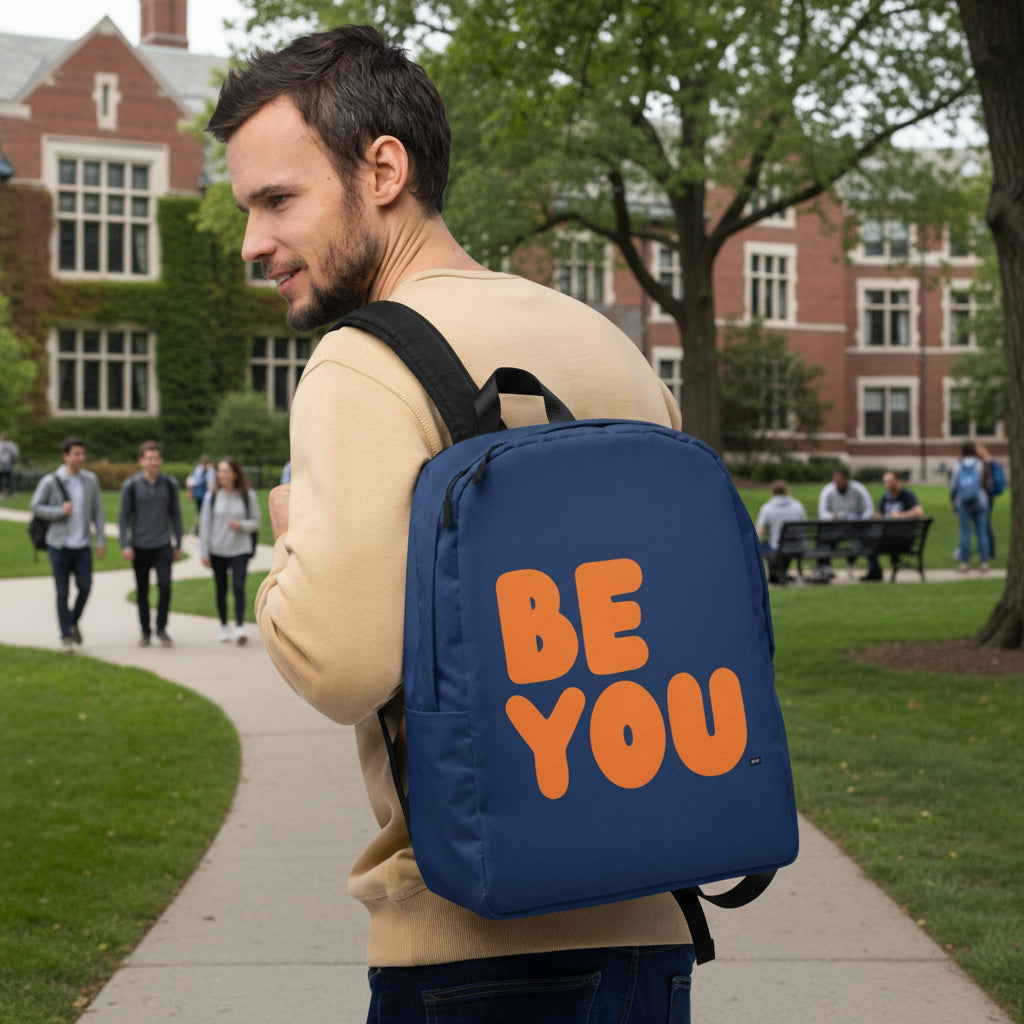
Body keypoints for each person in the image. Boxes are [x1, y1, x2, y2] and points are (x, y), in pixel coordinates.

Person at [209, 26, 694, 1020]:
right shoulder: (604, 344)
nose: (253, 242)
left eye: (276, 199)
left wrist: (290, 536)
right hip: (651, 927)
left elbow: (338, 666)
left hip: (472, 939)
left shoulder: (362, 363)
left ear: (382, 168)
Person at [29, 436, 106, 651]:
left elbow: (98, 512)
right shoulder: (51, 481)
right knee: (62, 592)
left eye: (83, 453)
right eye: (77, 454)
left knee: (85, 586)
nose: (81, 458)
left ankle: (72, 621)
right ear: (65, 456)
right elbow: (35, 506)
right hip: (59, 544)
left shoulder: (90, 480)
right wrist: (58, 512)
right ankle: (65, 636)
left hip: (82, 545)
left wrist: (100, 539)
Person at [118, 441, 183, 646]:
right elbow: (123, 517)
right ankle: (146, 631)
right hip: (139, 545)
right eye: (148, 458)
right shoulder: (132, 485)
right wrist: (125, 544)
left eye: (156, 458)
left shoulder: (170, 485)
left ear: (160, 461)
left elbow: (176, 516)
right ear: (141, 461)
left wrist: (178, 543)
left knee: (165, 586)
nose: (152, 462)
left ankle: (162, 628)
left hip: (163, 544)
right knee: (143, 590)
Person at [199, 457, 261, 645]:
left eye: (226, 471)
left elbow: (257, 523)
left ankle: (240, 626)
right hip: (217, 549)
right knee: (221, 589)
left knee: (239, 587)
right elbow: (204, 526)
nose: (222, 475)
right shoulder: (212, 497)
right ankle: (224, 626)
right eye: (219, 471)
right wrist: (204, 552)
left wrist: (241, 525)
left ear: (235, 474)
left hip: (239, 549)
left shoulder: (247, 495)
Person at [861, 471, 924, 581]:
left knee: (868, 539)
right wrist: (877, 516)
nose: (888, 485)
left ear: (898, 481)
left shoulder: (907, 495)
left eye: (891, 482)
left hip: (903, 538)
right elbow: (879, 514)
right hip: (886, 536)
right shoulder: (886, 497)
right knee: (865, 537)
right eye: (886, 482)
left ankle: (876, 570)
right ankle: (875, 570)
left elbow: (919, 511)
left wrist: (899, 515)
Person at [816, 466, 874, 579]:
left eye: (840, 480)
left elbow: (869, 508)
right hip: (835, 527)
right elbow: (822, 513)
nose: (837, 483)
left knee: (867, 537)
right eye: (835, 480)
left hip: (855, 526)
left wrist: (862, 520)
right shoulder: (828, 490)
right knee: (824, 538)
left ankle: (866, 567)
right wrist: (831, 516)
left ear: (846, 479)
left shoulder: (858, 489)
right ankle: (825, 567)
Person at [949, 440, 991, 573]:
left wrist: (953, 499)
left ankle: (964, 563)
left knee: (965, 532)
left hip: (963, 501)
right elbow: (986, 482)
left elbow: (953, 485)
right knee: (982, 531)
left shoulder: (958, 465)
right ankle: (984, 563)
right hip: (980, 500)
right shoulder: (980, 463)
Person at [755, 479, 807, 583]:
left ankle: (776, 572)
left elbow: (759, 531)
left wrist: (768, 531)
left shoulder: (767, 508)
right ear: (787, 491)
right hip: (797, 545)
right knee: (778, 545)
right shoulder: (798, 506)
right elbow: (804, 523)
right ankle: (780, 572)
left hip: (778, 547)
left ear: (772, 492)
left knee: (765, 545)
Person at [186, 454, 215, 531]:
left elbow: (211, 483)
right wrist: (190, 491)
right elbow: (192, 481)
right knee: (200, 511)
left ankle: (205, 527)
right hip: (199, 494)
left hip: (208, 494)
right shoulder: (197, 470)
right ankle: (199, 527)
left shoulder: (211, 471)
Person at [0, 432, 19, 497]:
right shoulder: (11, 444)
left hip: (1, 464)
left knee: (1, 479)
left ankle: (2, 492)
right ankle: (13, 492)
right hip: (9, 464)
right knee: (11, 479)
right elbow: (15, 454)